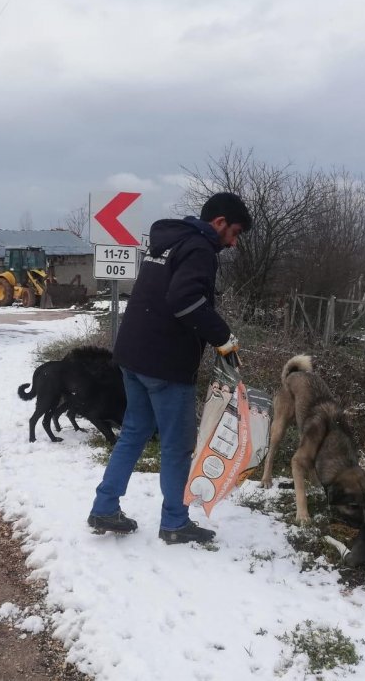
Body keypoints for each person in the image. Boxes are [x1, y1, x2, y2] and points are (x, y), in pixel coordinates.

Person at [87, 192, 253, 545]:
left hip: (133, 355)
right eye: (234, 232)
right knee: (177, 445)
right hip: (165, 363)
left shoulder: (167, 241)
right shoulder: (200, 249)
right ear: (219, 223)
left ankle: (104, 506)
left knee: (134, 432)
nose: (234, 242)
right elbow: (185, 300)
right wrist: (223, 337)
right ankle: (175, 522)